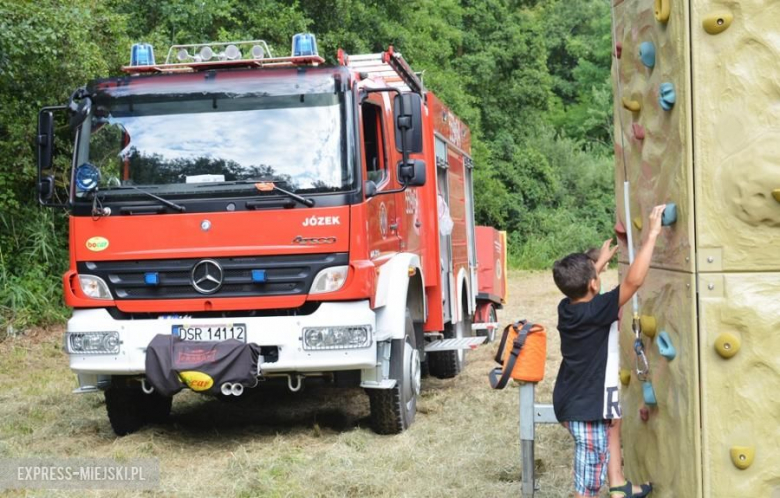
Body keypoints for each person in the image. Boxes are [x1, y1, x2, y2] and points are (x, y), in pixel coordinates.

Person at [551, 204, 666, 498]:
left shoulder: (567, 307)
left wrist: (597, 264)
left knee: (591, 472)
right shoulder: (598, 310)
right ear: (593, 283)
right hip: (587, 411)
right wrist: (652, 233)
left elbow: (582, 287)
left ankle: (618, 487)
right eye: (596, 274)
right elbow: (634, 280)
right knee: (587, 487)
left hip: (570, 400)